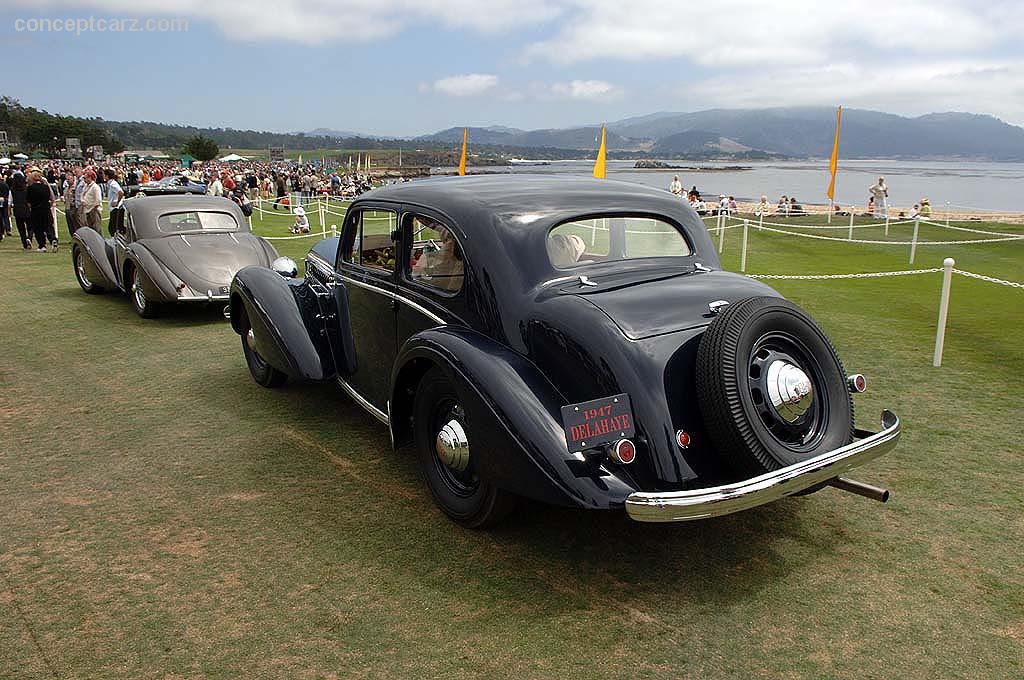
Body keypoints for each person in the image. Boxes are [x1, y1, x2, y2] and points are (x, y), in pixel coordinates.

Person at [411, 224, 463, 291]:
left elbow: (446, 287)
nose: (448, 244)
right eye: (446, 240)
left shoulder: (459, 266)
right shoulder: (446, 261)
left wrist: (420, 278)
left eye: (451, 240)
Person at [26, 170, 57, 252]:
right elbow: (50, 198)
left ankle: (42, 245)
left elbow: (28, 201)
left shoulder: (30, 188)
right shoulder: (46, 187)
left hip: (36, 210)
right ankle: (53, 239)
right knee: (49, 226)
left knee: (38, 228)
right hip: (46, 209)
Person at [11, 172, 32, 249]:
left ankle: (24, 243)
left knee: (21, 228)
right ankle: (29, 238)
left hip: (17, 210)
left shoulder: (13, 190)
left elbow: (11, 201)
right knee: (30, 226)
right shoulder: (27, 189)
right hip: (26, 209)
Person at [104, 168, 125, 234]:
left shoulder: (113, 184)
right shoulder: (111, 183)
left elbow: (121, 192)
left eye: (104, 175)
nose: (103, 176)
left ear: (107, 176)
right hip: (115, 209)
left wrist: (117, 202)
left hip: (116, 209)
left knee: (112, 228)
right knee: (116, 228)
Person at [0, 173, 10, 242]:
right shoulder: (5, 184)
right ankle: (8, 229)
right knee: (5, 216)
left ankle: (2, 231)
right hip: (5, 201)